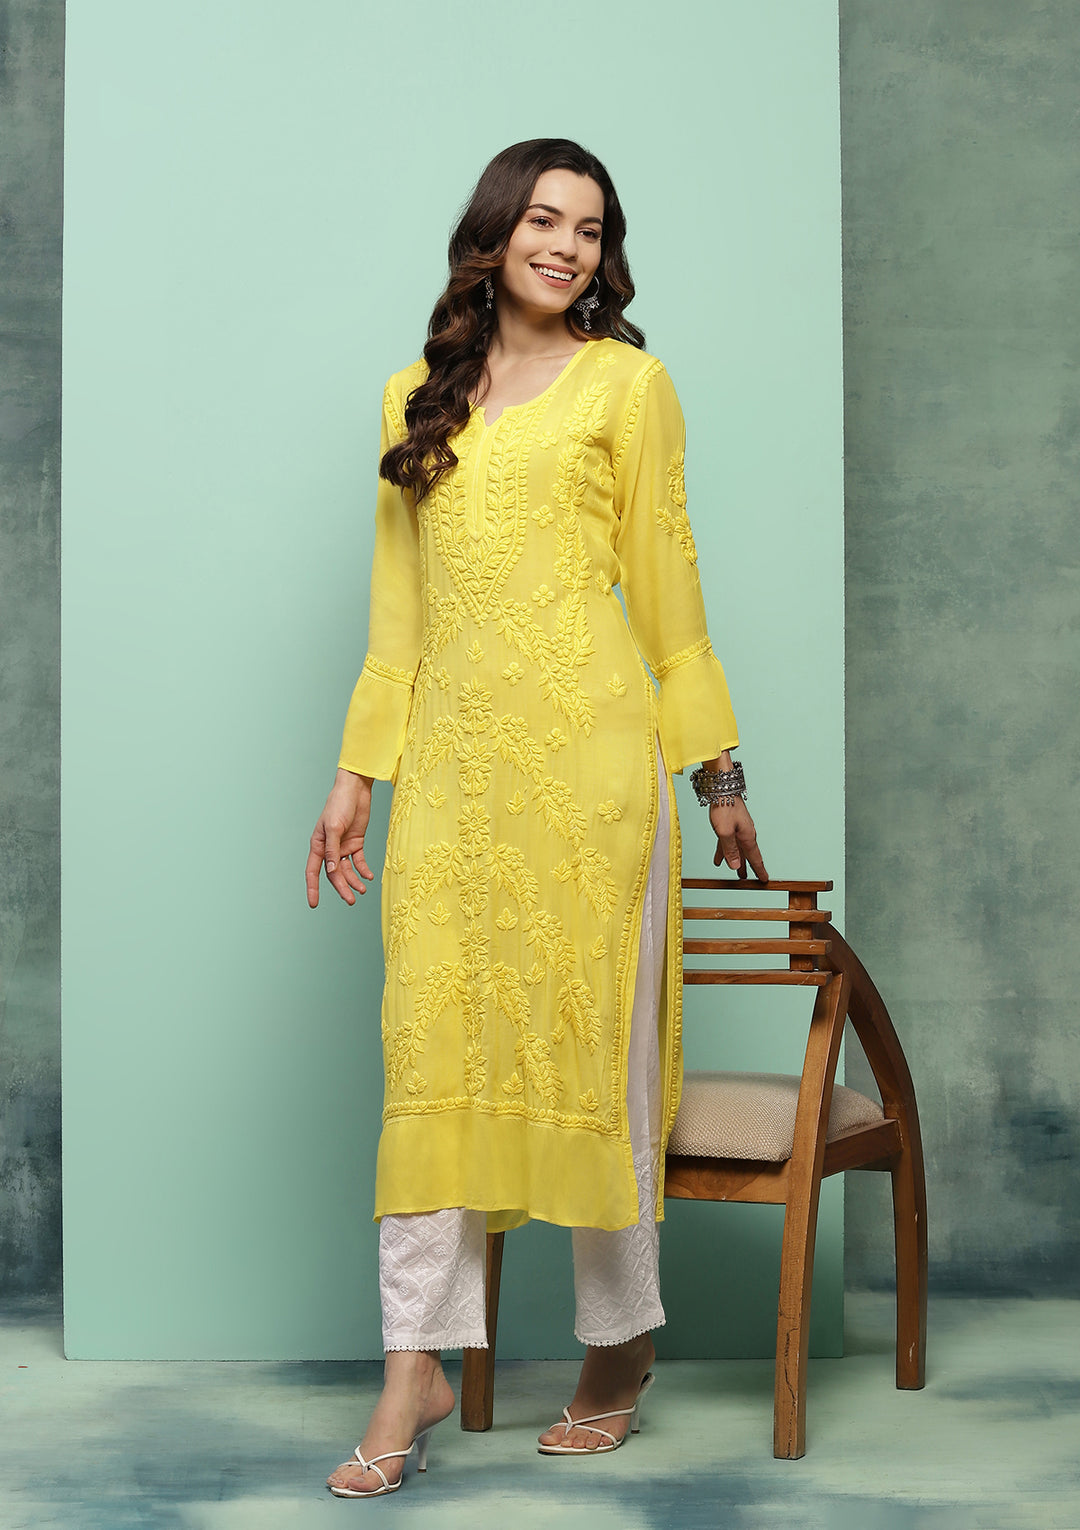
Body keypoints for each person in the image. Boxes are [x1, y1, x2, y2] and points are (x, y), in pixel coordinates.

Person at [306, 138, 767, 1499]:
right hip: (452, 781)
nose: (568, 246)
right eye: (546, 221)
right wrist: (356, 774)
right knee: (431, 1052)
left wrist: (719, 777)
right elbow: (397, 618)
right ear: (496, 233)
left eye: (592, 228)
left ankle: (618, 1346)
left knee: (597, 1058)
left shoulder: (629, 385)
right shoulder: (415, 396)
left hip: (592, 776)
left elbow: (669, 592)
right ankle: (415, 1363)